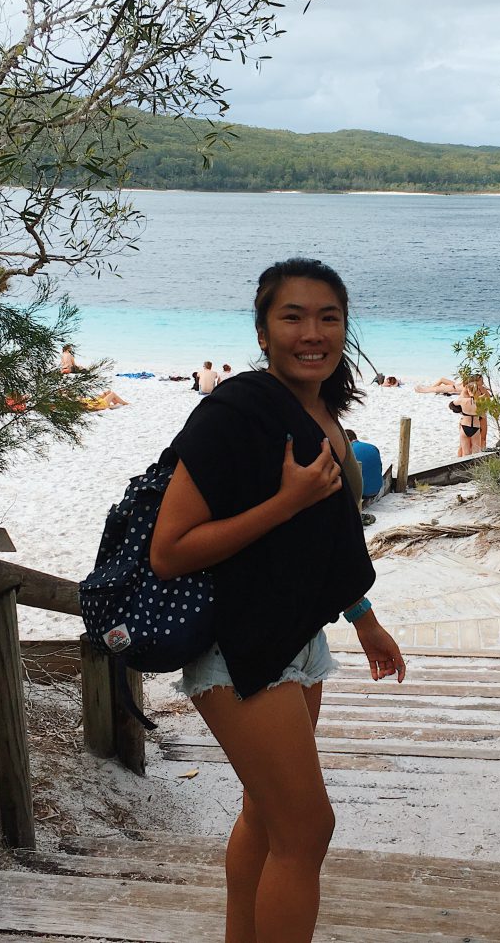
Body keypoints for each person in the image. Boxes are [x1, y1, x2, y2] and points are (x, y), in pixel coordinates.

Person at [150, 257, 405, 943]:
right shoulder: (233, 412)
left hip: (295, 638)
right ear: (262, 331)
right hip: (234, 645)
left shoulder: (318, 410)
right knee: (307, 829)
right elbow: (169, 550)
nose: (311, 332)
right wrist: (285, 499)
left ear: (345, 329)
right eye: (292, 316)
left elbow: (330, 532)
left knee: (267, 815)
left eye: (328, 317)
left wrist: (364, 618)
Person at [345, 429, 384, 502]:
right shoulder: (373, 447)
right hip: (377, 489)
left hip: (362, 493)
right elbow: (380, 468)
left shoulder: (349, 451)